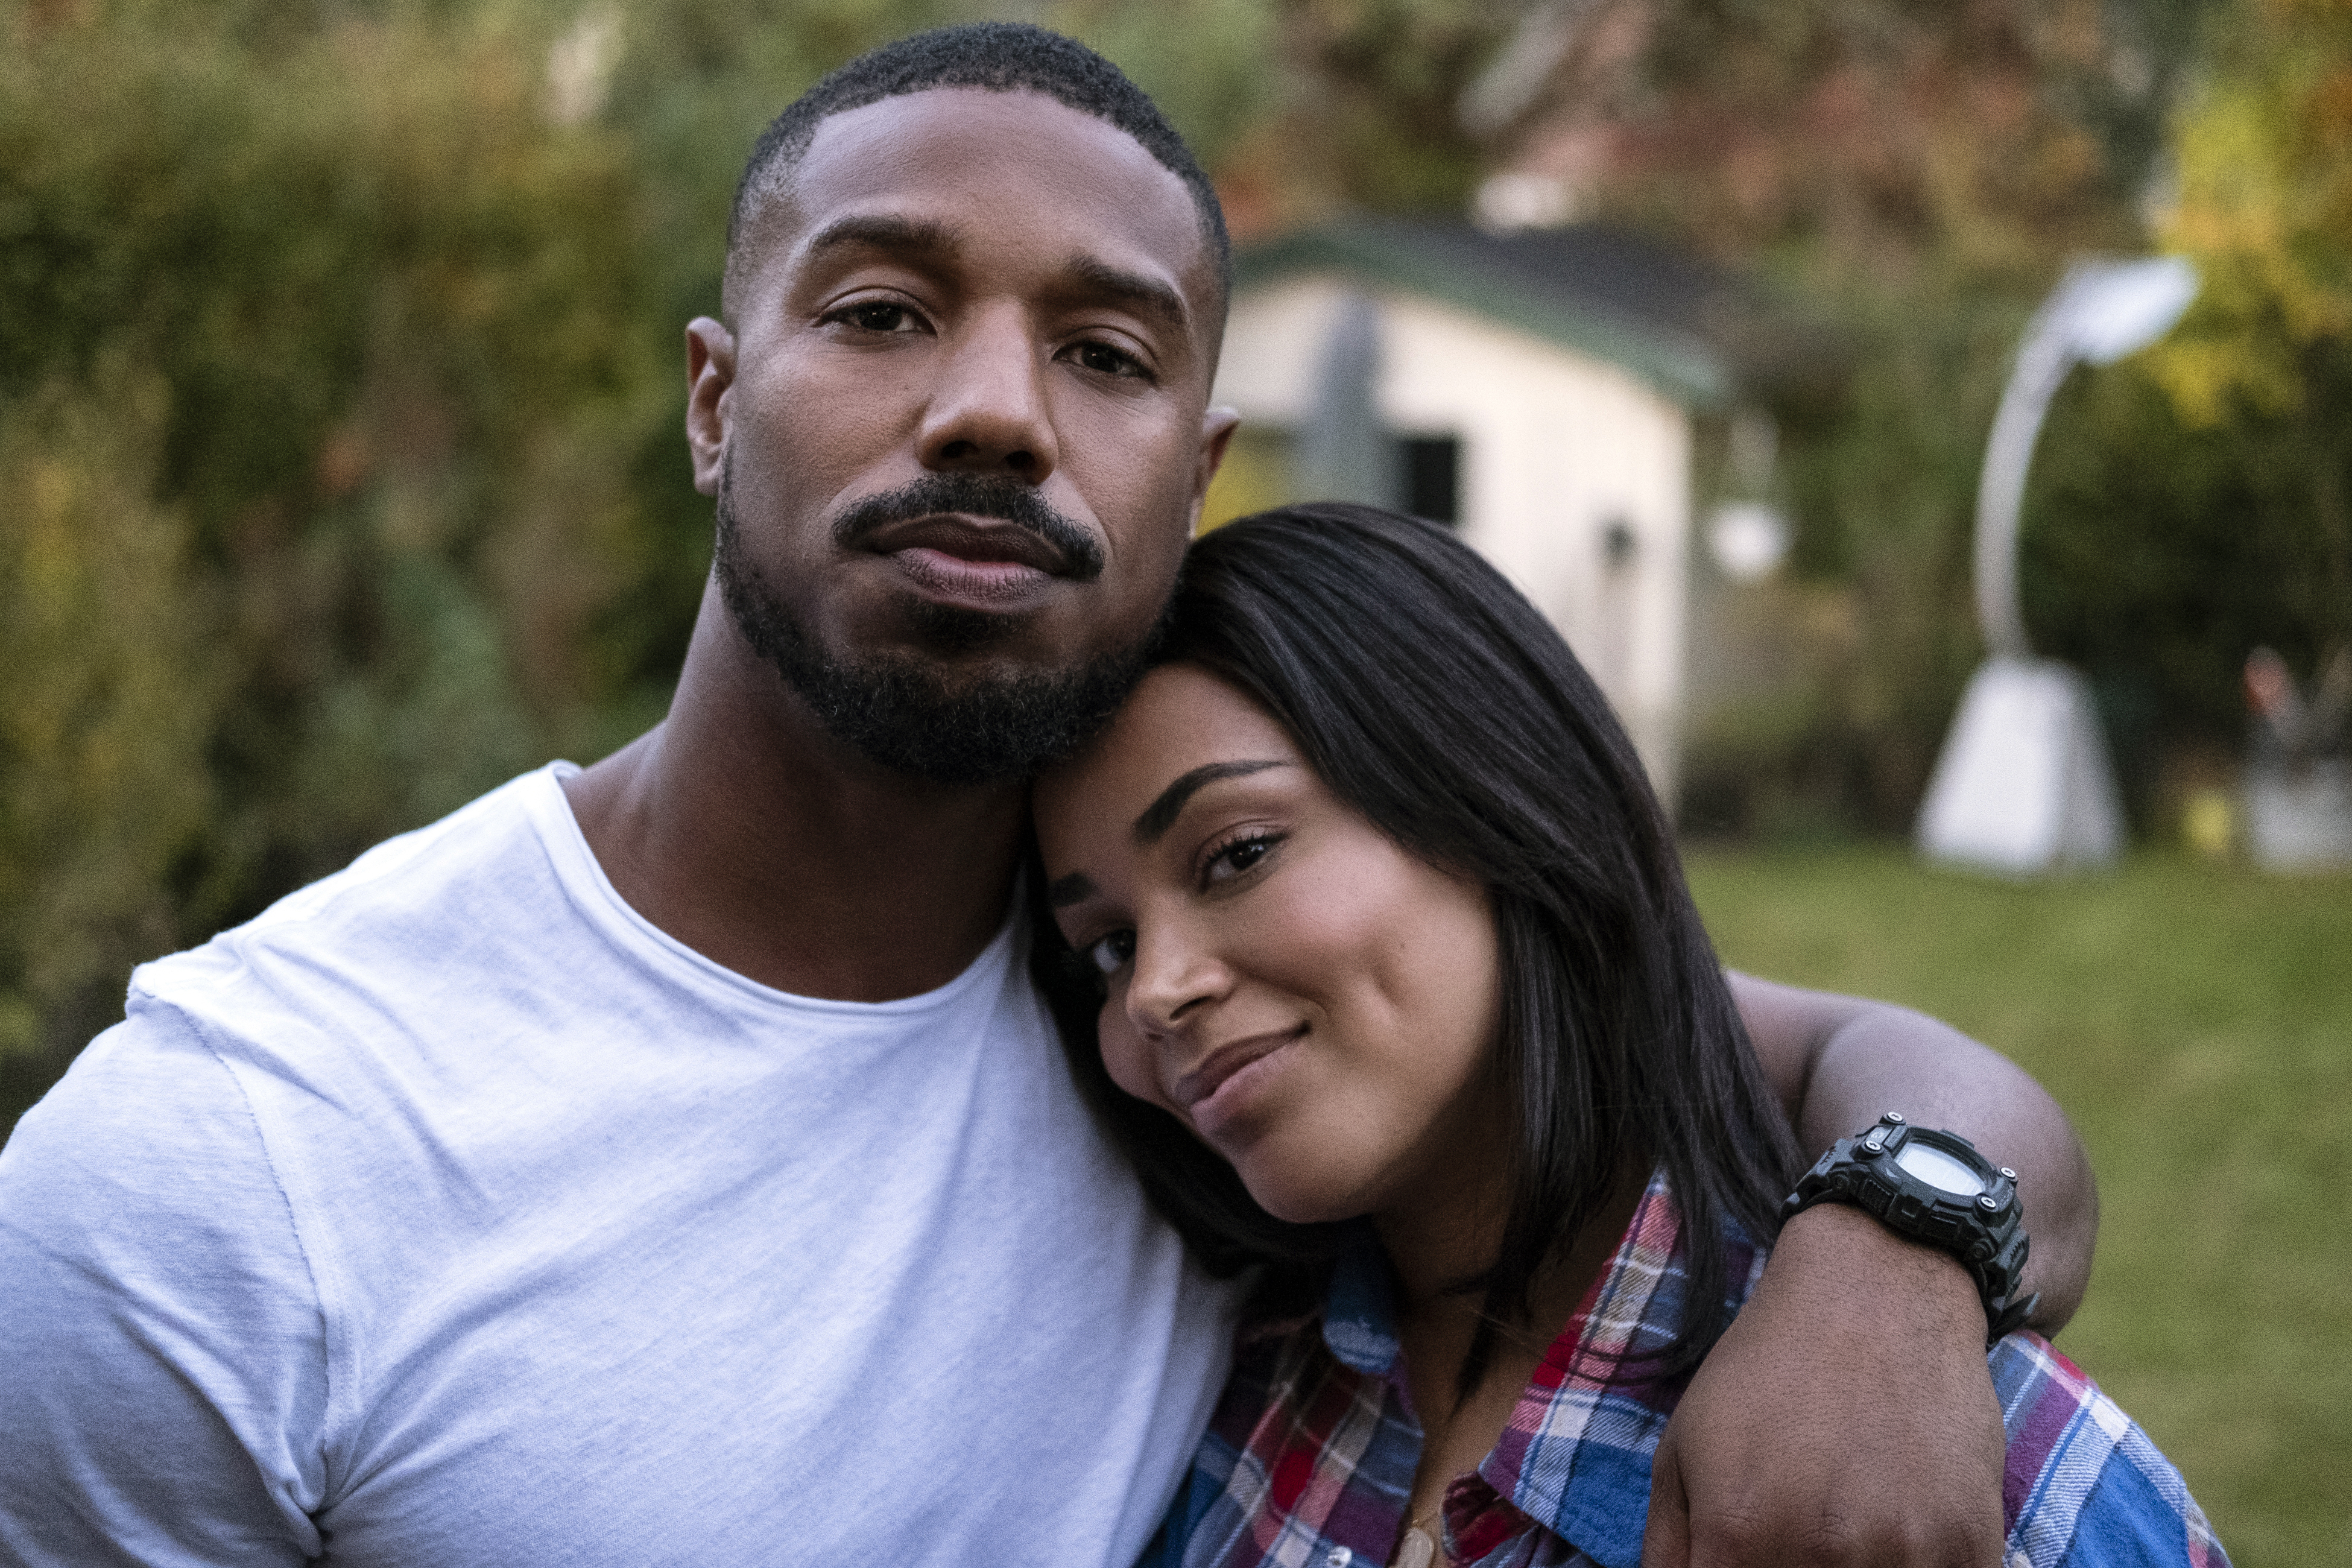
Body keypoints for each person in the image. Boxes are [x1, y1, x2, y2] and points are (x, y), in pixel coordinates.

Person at [0, 25, 2090, 1567]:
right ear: (719, 402)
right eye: (886, 311)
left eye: (1106, 352)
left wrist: (1890, 1266)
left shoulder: (1198, 991)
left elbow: (1820, 1060)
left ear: (1195, 472)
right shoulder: (230, 1176)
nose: (995, 410)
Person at [1033, 503, 2227, 1568]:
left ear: (1495, 797)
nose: (1154, 994)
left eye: (1237, 852)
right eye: (1106, 947)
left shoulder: (1926, 1460)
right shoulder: (1234, 1373)